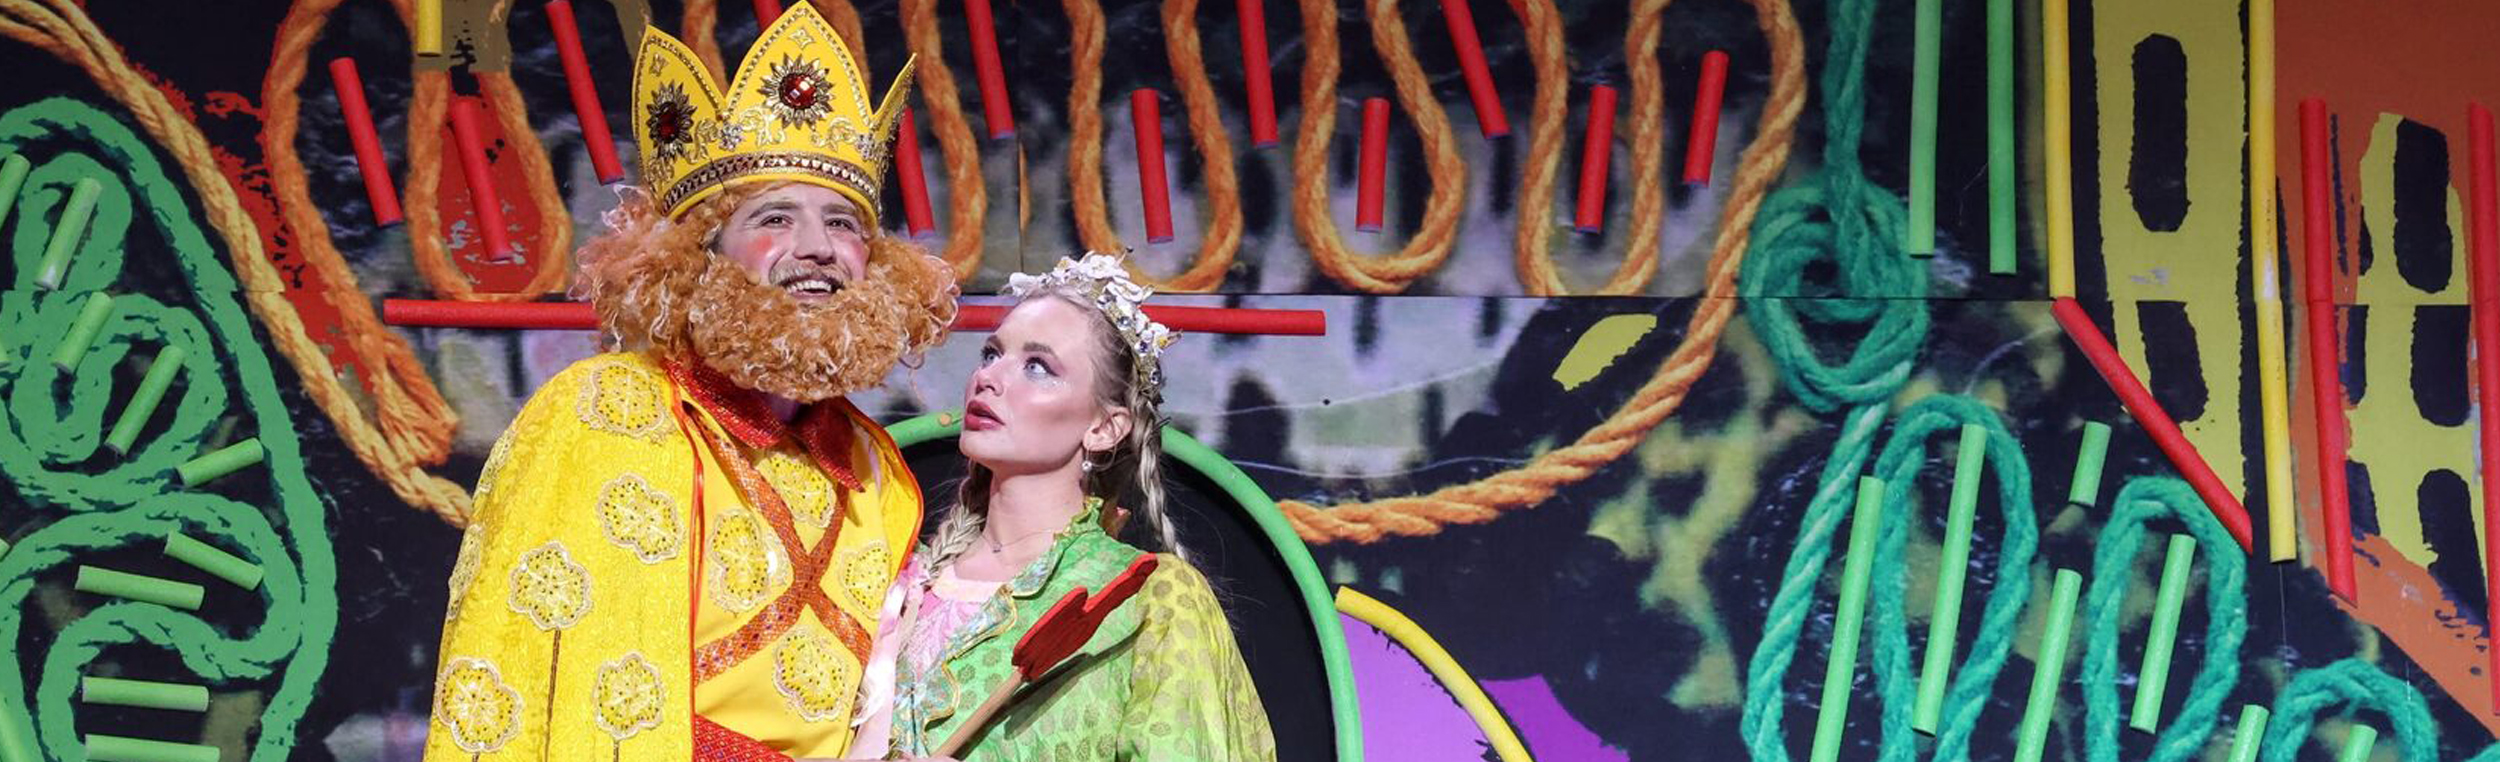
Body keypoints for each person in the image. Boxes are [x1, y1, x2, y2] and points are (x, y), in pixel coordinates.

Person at [422, 6, 958, 760]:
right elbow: (500, 679)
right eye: (776, 218)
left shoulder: (878, 472)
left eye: (844, 223)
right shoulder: (596, 412)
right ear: (696, 257)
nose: (818, 248)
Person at [845, 253, 1278, 761]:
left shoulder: (1149, 596)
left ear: (1104, 428)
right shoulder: (894, 585)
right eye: (990, 354)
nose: (989, 378)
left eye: (1038, 367)